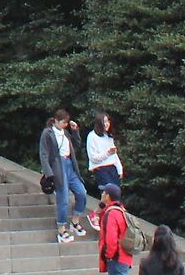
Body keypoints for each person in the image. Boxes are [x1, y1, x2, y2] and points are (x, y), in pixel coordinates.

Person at [41, 107, 91, 243]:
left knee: (81, 192)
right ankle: (61, 229)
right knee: (63, 199)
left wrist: (75, 131)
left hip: (70, 164)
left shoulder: (65, 133)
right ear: (56, 121)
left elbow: (76, 145)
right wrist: (48, 173)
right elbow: (44, 154)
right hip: (58, 166)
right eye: (63, 122)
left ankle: (75, 222)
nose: (65, 125)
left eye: (66, 123)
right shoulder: (48, 133)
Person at [86, 113, 123, 199]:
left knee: (116, 195)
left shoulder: (108, 136)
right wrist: (107, 153)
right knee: (107, 196)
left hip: (112, 169)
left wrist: (119, 169)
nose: (107, 124)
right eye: (104, 121)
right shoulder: (92, 136)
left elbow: (114, 155)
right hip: (101, 170)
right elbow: (93, 158)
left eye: (108, 121)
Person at [97, 186, 131, 275]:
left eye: (103, 193)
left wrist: (108, 256)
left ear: (107, 196)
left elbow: (111, 238)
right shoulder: (121, 210)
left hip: (116, 258)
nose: (102, 195)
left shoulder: (111, 213)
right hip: (125, 256)